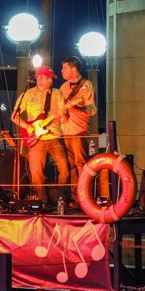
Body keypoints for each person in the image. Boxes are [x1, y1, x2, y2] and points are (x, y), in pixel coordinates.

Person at [10, 66, 70, 208]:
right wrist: (28, 127)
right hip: (36, 138)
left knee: (64, 167)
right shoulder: (28, 94)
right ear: (39, 77)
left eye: (51, 78)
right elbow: (14, 116)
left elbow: (64, 116)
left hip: (55, 136)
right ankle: (43, 200)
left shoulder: (57, 93)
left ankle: (61, 198)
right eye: (48, 77)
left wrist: (64, 114)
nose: (51, 80)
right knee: (35, 170)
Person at [59, 56, 97, 207]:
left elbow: (92, 109)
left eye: (65, 68)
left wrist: (75, 106)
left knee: (81, 164)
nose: (62, 71)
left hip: (78, 131)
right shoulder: (63, 87)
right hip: (65, 131)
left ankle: (84, 197)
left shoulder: (86, 85)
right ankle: (76, 197)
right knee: (71, 166)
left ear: (73, 69)